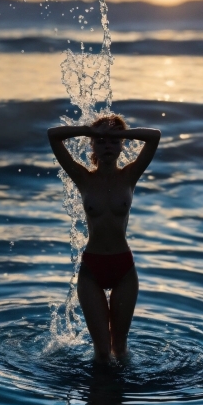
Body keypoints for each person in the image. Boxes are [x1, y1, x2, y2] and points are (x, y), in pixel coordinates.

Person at [48, 114, 160, 363]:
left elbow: (154, 137)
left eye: (114, 142)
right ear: (92, 146)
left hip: (124, 269)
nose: (107, 146)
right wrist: (91, 130)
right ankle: (99, 398)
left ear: (122, 146)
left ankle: (120, 397)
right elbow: (53, 136)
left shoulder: (129, 176)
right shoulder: (83, 178)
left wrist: (117, 134)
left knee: (119, 349)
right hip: (92, 270)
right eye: (100, 142)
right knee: (101, 353)